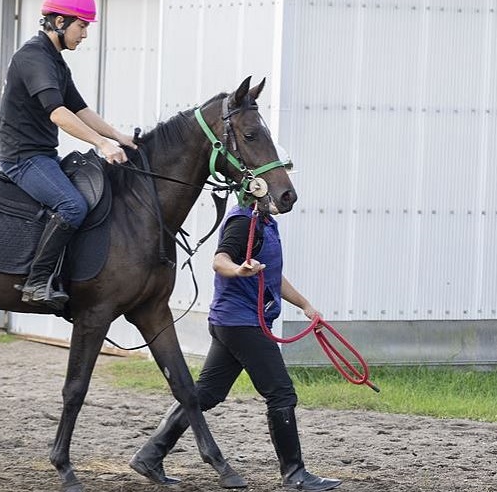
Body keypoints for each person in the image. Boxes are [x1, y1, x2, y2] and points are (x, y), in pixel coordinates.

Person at [129, 204, 342, 491]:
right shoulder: (244, 222)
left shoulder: (265, 223)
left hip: (232, 322)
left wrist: (305, 306)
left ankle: (150, 455)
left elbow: (272, 276)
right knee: (281, 393)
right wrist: (238, 270)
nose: (284, 195)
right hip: (242, 324)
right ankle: (295, 474)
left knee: (206, 393)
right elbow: (220, 260)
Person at [0, 0, 136, 309]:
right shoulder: (33, 58)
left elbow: (80, 109)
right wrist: (101, 145)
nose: (85, 34)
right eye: (82, 26)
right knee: (72, 205)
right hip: (22, 158)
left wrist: (118, 136)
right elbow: (59, 114)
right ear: (60, 21)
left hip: (42, 155)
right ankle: (36, 282)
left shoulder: (55, 61)